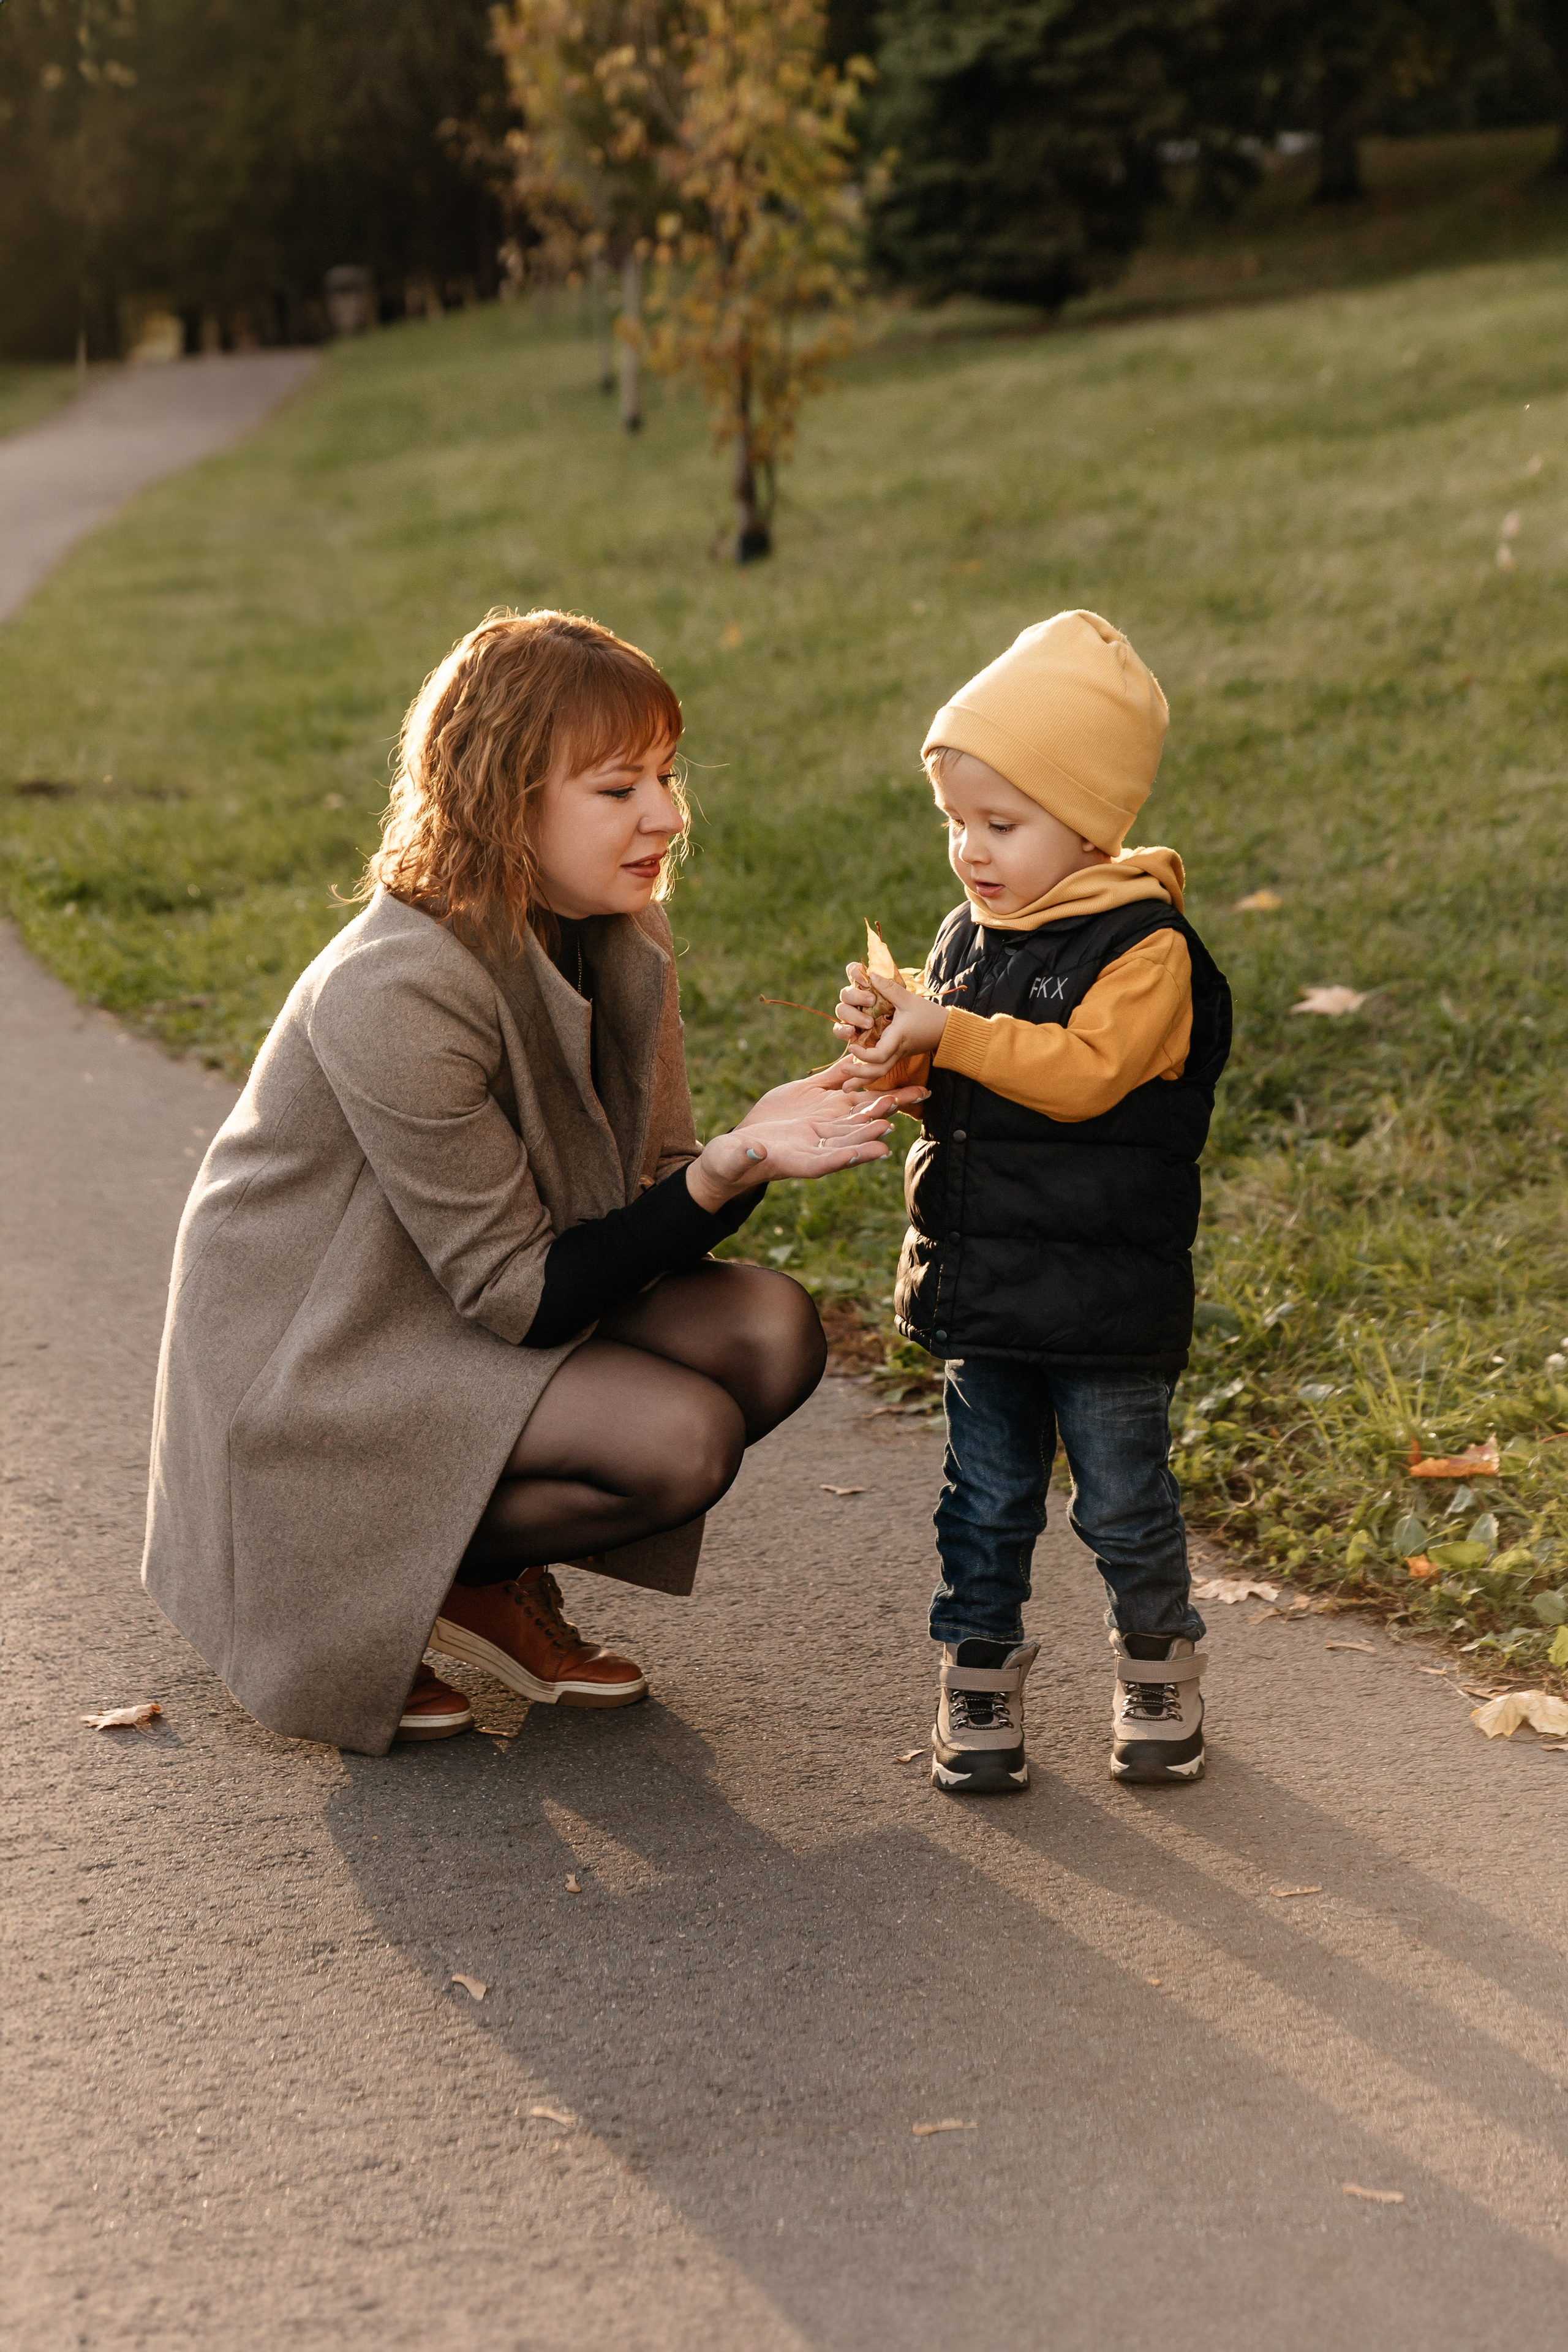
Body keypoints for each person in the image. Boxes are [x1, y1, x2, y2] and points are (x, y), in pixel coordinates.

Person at [142, 608, 924, 1756]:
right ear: (506, 802)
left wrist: (755, 1143)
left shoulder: (618, 928)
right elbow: (526, 1292)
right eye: (617, 790)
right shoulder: (396, 987)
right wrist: (724, 1169)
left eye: (666, 774)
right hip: (320, 1366)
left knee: (767, 1330)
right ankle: (367, 1586)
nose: (664, 814)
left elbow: (652, 1195)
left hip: (455, 1311)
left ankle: (469, 1583)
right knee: (675, 1439)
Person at [832, 610, 1231, 1793]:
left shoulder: (1145, 950)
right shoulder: (970, 934)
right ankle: (979, 1677)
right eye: (956, 822)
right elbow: (965, 1086)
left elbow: (1083, 1075)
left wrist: (950, 1028)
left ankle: (1159, 1664)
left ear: (1092, 820)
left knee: (1123, 1504)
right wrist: (898, 1057)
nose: (970, 851)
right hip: (987, 1284)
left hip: (1106, 1297)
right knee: (985, 1504)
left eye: (1001, 824)